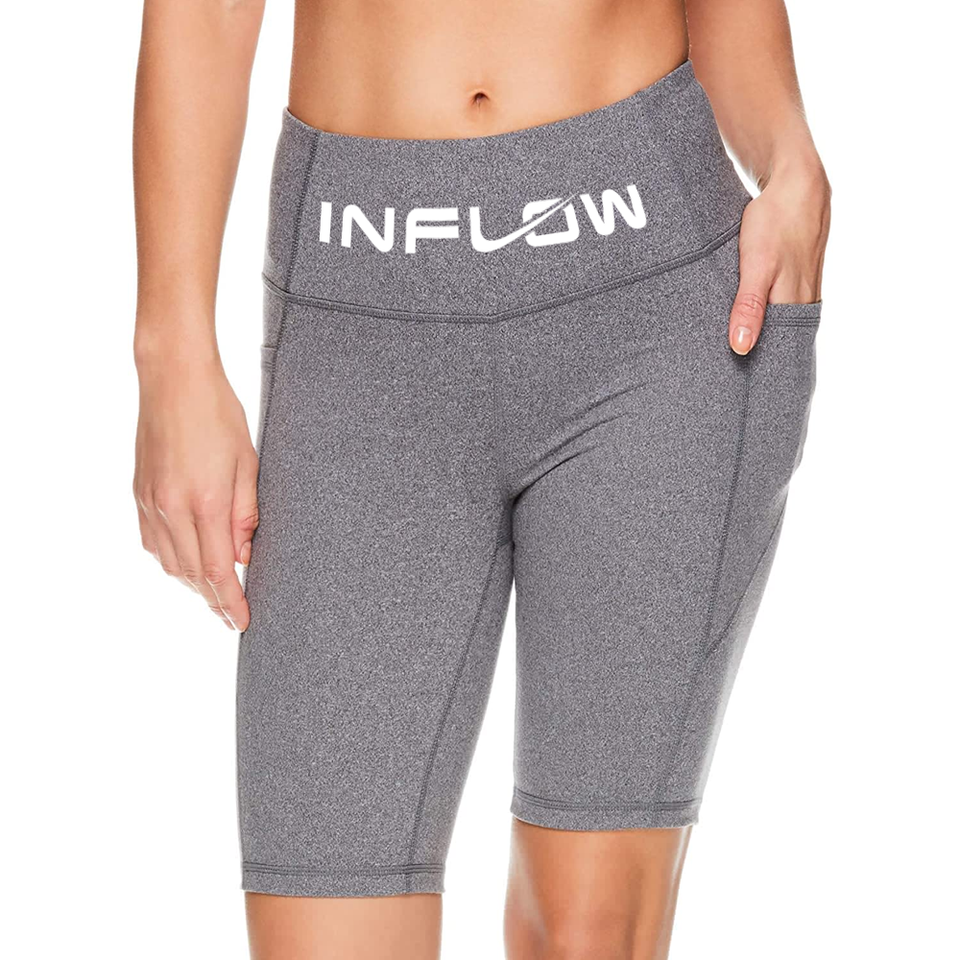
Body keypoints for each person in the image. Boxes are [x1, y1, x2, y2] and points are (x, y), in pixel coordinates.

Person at [132, 0, 829, 956]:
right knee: (327, 895)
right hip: (360, 310)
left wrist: (789, 158)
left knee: (587, 937)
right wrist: (170, 352)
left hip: (649, 297)